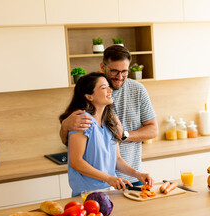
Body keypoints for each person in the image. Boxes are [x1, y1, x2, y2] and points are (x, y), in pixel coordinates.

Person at [60, 45, 158, 186]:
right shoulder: (83, 119)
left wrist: (124, 135)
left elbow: (117, 157)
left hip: (125, 181)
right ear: (103, 66)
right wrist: (64, 127)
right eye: (114, 71)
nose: (119, 77)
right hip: (100, 186)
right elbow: (75, 159)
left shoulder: (109, 119)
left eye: (124, 72)